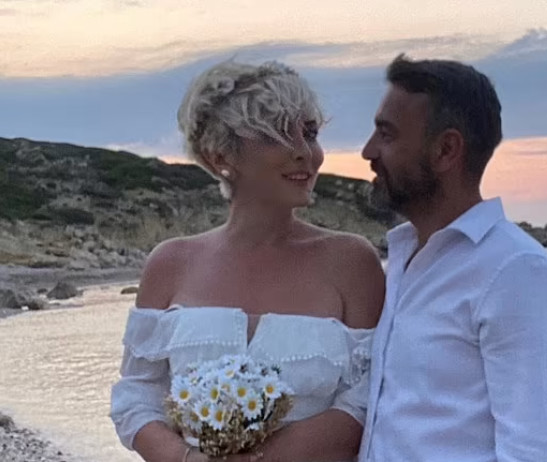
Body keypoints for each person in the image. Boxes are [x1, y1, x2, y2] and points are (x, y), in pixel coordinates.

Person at [110, 60, 385, 462]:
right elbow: (138, 394)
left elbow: (368, 397)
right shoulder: (170, 263)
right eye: (278, 135)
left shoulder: (352, 262)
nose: (304, 153)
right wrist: (187, 459)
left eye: (309, 133)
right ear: (220, 155)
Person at [358, 55, 547, 461]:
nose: (368, 151)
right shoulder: (405, 257)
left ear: (446, 150)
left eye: (387, 134)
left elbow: (538, 453)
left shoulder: (516, 275)